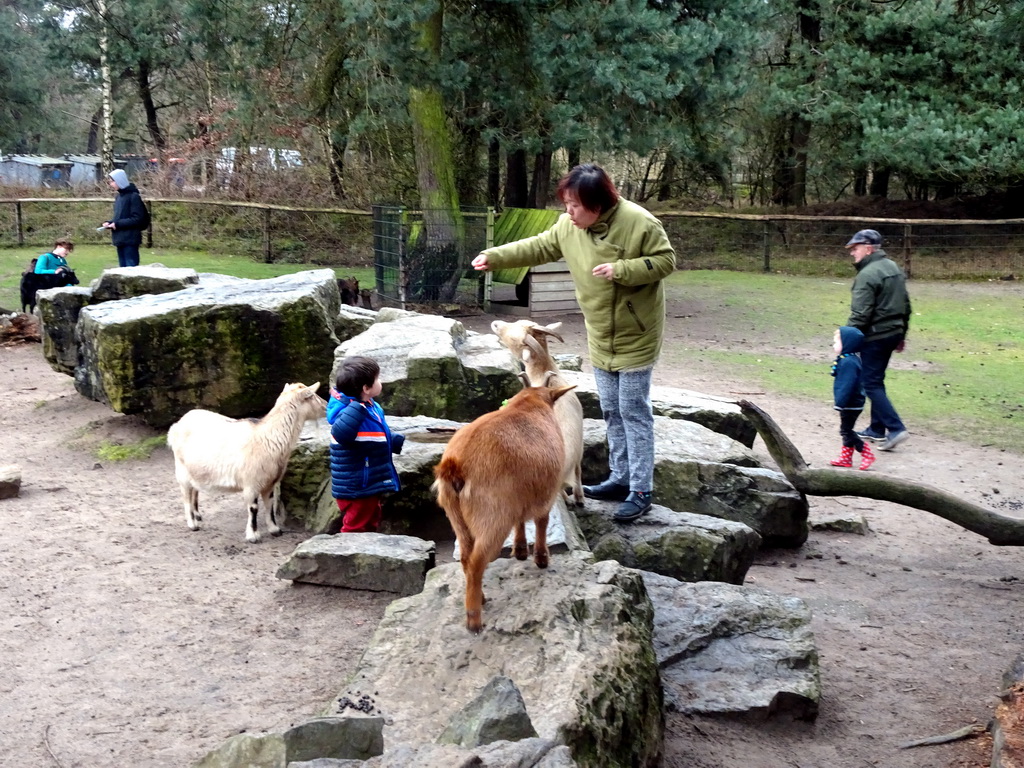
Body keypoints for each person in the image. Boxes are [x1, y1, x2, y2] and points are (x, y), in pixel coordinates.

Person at [472, 163, 676, 523]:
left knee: (633, 411)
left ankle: (641, 489)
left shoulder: (640, 222)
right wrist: (495, 256)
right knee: (611, 409)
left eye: (575, 205)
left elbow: (665, 260)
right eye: (566, 204)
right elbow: (539, 246)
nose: (569, 212)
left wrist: (623, 270)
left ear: (598, 204)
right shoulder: (569, 227)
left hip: (636, 334)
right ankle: (619, 478)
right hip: (600, 335)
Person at [844, 229, 912, 452]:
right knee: (876, 379)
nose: (852, 253)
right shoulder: (893, 267)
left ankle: (895, 428)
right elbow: (906, 305)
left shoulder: (867, 274)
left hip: (876, 335)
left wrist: (847, 339)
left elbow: (860, 314)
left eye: (855, 248)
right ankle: (876, 428)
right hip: (893, 332)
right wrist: (901, 335)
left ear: (869, 248)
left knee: (869, 382)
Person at [327, 356, 405, 533]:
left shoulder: (369, 405)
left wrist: (394, 440)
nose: (381, 381)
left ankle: (366, 554)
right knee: (355, 527)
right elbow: (341, 435)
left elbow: (370, 434)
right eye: (377, 378)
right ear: (366, 388)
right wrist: (355, 410)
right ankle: (349, 557)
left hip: (367, 482)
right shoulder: (351, 411)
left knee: (371, 519)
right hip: (358, 486)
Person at [829, 326, 875, 470]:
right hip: (851, 403)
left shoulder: (849, 362)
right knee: (846, 429)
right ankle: (845, 459)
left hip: (851, 403)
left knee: (846, 430)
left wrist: (840, 403)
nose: (834, 345)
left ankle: (866, 452)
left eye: (836, 342)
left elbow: (846, 385)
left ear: (847, 344)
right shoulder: (848, 359)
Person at [102, 168, 149, 268]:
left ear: (119, 180)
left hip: (130, 239)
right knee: (122, 270)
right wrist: (110, 223)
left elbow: (137, 219)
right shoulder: (118, 197)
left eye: (112, 181)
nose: (111, 184)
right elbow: (119, 217)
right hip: (120, 239)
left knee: (130, 269)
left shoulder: (134, 196)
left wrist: (117, 224)